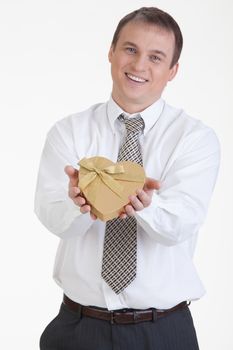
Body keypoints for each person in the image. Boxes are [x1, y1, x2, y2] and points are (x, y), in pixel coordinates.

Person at [35, 6, 220, 350]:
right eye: (130, 50)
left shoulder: (195, 139)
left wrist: (147, 206)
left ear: (173, 70)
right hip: (77, 329)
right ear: (111, 52)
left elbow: (183, 221)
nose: (138, 66)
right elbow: (49, 212)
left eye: (156, 57)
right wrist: (78, 204)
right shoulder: (70, 132)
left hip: (163, 331)